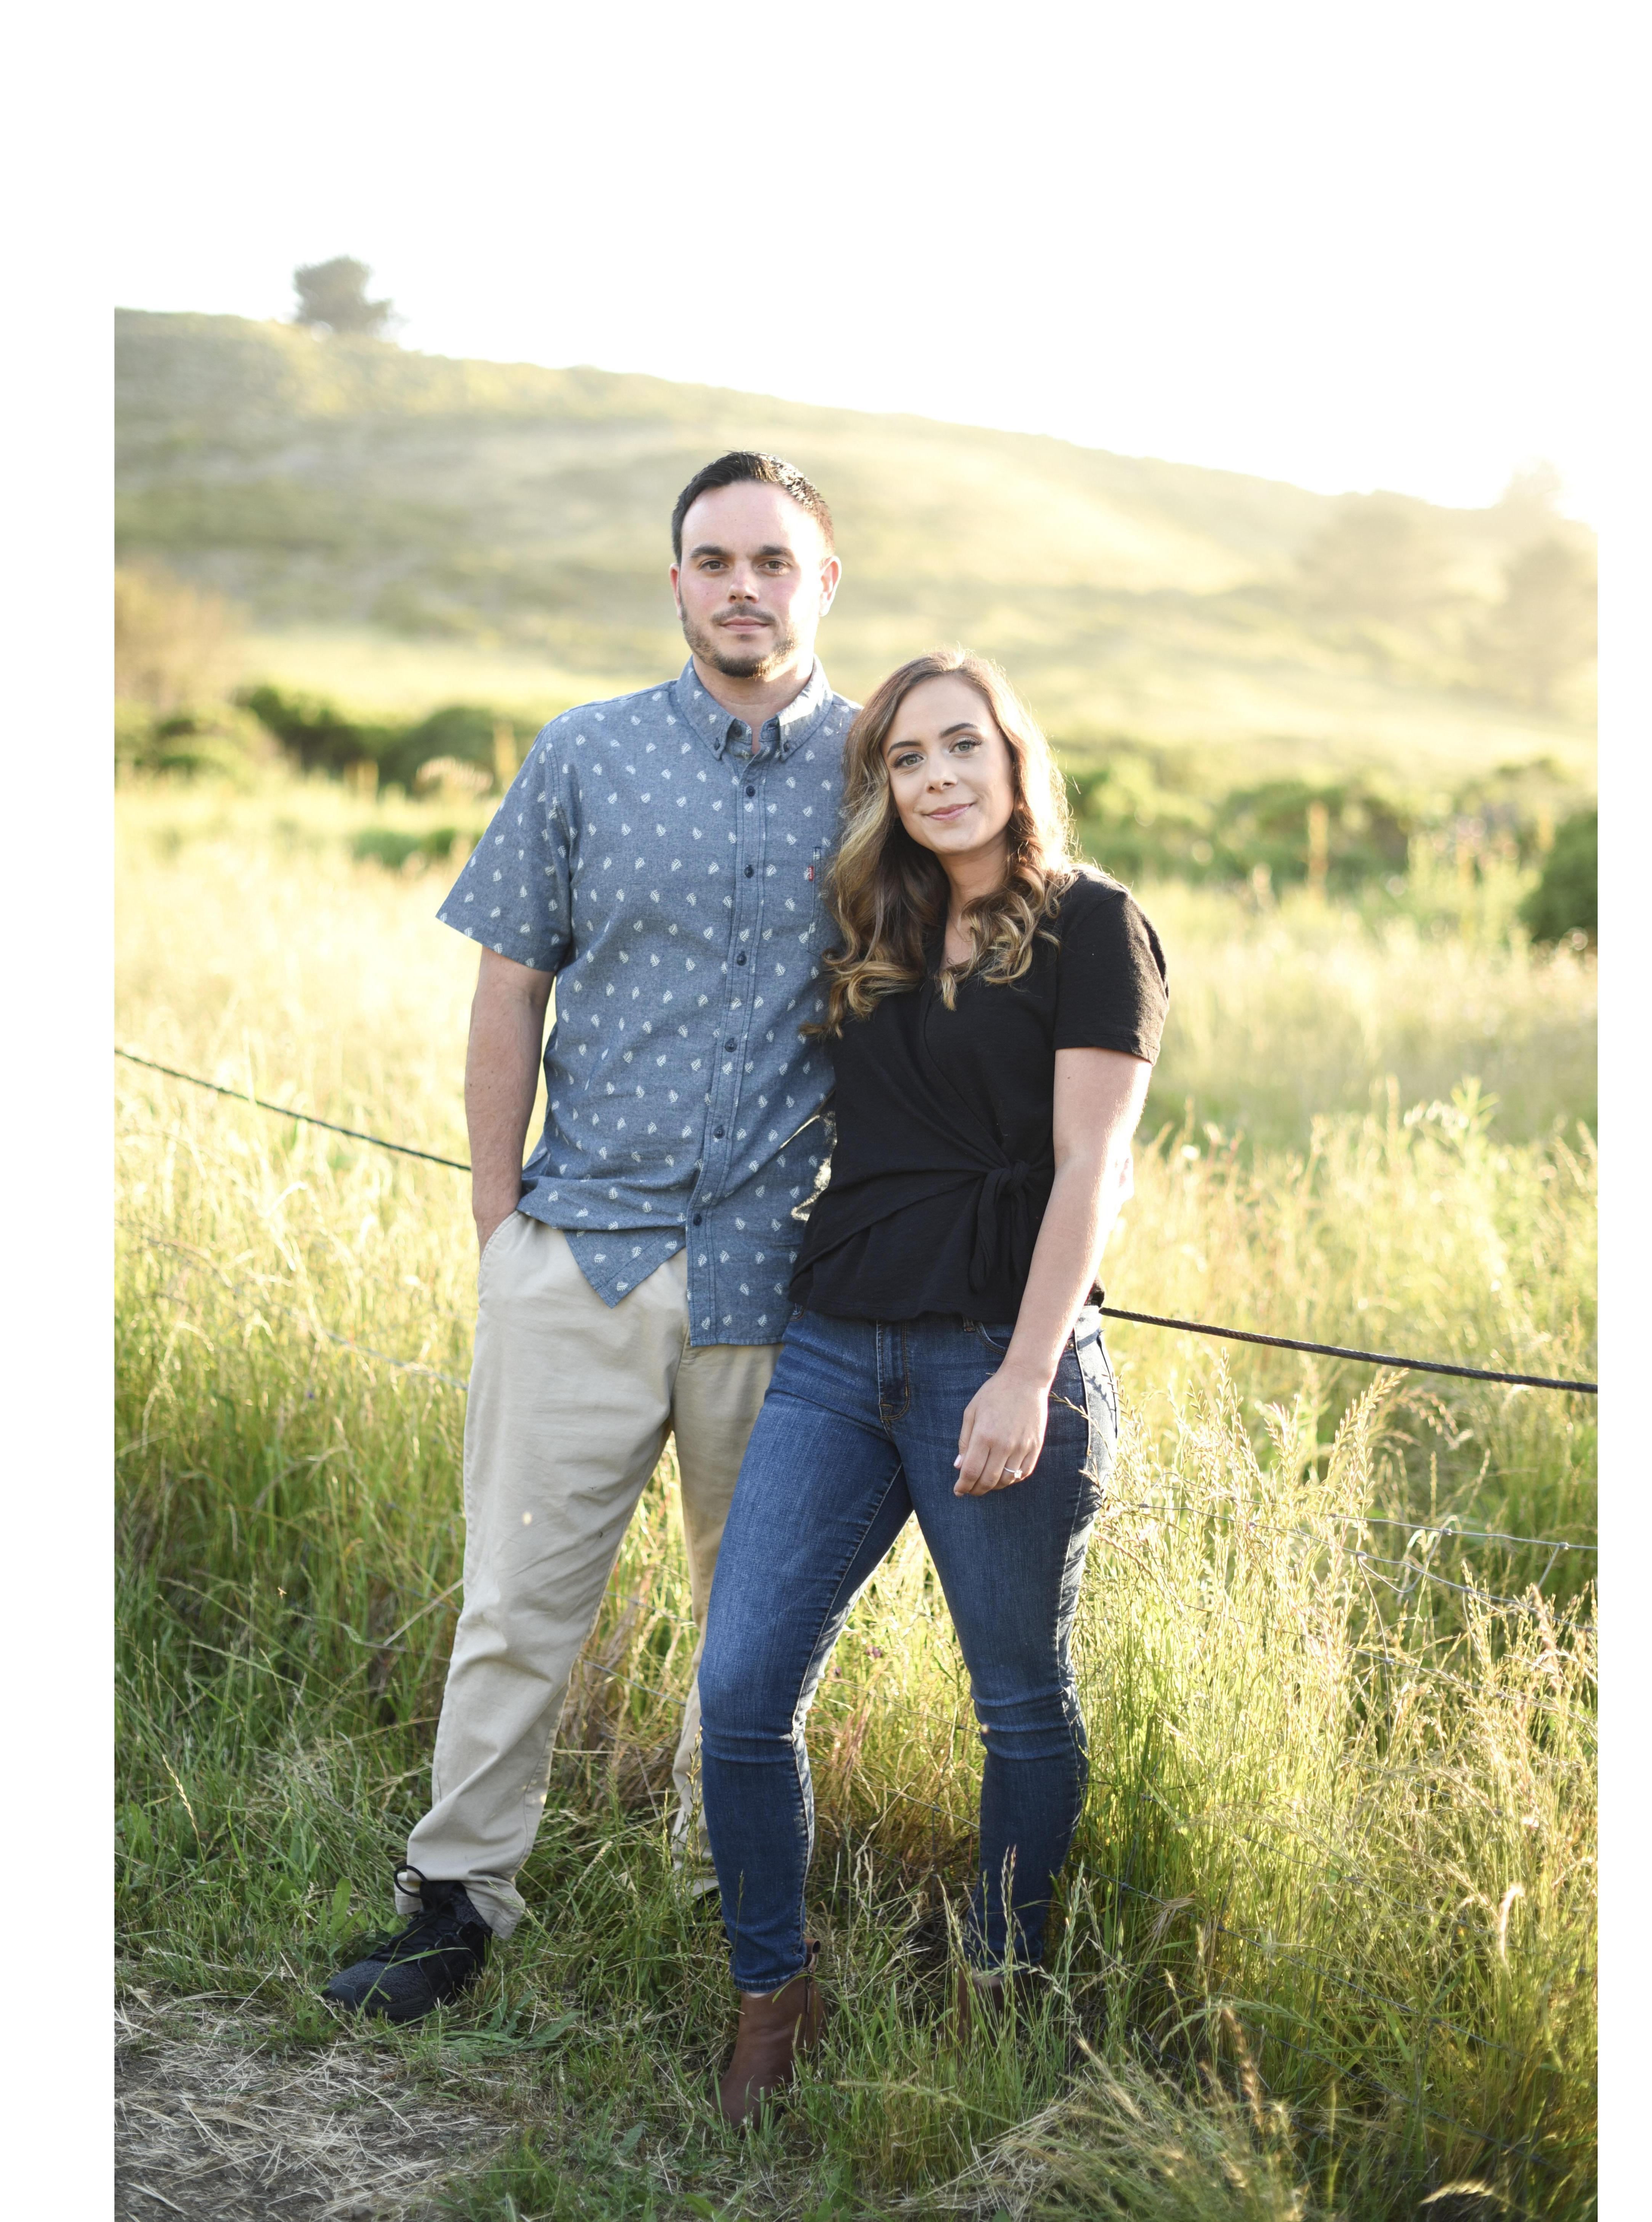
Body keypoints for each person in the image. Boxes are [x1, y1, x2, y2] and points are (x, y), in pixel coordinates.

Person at [324, 452, 858, 2021]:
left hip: (780, 1280)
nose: (743, 587)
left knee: (756, 1635)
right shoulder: (584, 753)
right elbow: (510, 987)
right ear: (676, 580)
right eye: (715, 560)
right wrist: (499, 1224)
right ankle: (454, 1903)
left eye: (773, 560)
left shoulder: (885, 772)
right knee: (515, 1605)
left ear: (824, 581)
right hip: (579, 1257)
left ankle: (732, 1905)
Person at [696, 650, 1168, 2125]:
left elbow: (1094, 1168)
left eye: (964, 745)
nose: (939, 777)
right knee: (739, 1690)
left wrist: (1028, 1373)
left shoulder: (1093, 924)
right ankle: (772, 1996)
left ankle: (999, 1988)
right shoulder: (878, 920)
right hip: (838, 1348)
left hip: (998, 1354)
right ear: (883, 786)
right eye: (906, 758)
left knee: (1018, 1703)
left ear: (1016, 758)